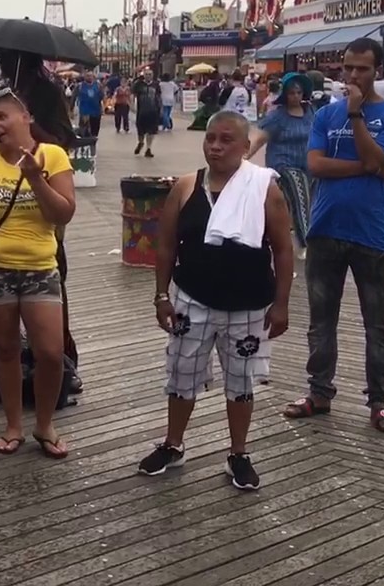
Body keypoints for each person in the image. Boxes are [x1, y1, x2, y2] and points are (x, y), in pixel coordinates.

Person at [139, 111, 293, 490]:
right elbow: (165, 246)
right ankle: (173, 444)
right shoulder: (187, 186)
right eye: (210, 138)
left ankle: (238, 452)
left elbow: (283, 249)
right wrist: (162, 296)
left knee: (241, 383)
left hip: (249, 304)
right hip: (193, 299)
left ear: (245, 147)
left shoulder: (264, 188)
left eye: (226, 140)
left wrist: (282, 303)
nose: (216, 147)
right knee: (181, 376)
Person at [283, 37, 384, 434]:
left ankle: (379, 402)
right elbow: (317, 166)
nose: (353, 76)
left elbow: (378, 158)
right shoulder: (325, 115)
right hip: (324, 229)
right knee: (321, 321)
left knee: (378, 323)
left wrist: (357, 118)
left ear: (378, 71)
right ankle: (319, 392)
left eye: (362, 69)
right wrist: (370, 167)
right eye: (348, 68)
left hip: (374, 233)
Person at [0, 84, 76, 459]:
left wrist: (36, 177)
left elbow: (64, 214)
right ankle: (13, 424)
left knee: (51, 353)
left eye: (2, 116)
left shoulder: (53, 156)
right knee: (5, 349)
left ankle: (44, 423)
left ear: (26, 118)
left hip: (40, 267)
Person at [246, 72, 314, 252]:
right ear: (285, 94)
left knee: (307, 200)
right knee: (300, 192)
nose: (295, 97)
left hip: (307, 164)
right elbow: (260, 138)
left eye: (299, 93)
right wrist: (244, 158)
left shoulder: (310, 113)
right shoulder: (278, 117)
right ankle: (307, 243)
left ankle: (277, 235)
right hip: (283, 164)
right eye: (291, 93)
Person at [133, 73, 161, 158]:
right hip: (141, 111)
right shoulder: (139, 84)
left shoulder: (156, 85)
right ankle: (141, 142)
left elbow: (159, 97)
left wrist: (160, 108)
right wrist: (132, 106)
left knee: (151, 131)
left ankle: (148, 149)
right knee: (141, 131)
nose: (148, 76)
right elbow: (133, 95)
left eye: (150, 74)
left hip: (153, 111)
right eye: (147, 74)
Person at [75, 71, 104, 137]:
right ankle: (84, 143)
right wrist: (71, 109)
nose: (89, 77)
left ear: (93, 77)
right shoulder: (80, 86)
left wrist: (102, 108)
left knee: (95, 131)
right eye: (87, 76)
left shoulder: (98, 85)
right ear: (85, 77)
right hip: (85, 112)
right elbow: (74, 96)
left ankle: (93, 142)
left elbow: (102, 96)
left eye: (90, 76)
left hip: (96, 112)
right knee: (84, 131)